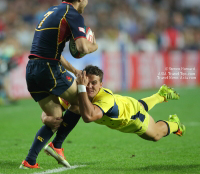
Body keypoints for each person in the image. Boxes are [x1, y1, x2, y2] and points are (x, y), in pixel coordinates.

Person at [20, 0, 98, 169]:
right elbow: (81, 47)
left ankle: (30, 160)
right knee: (81, 100)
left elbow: (53, 50)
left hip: (32, 70)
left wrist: (74, 70)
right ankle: (57, 145)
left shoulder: (50, 12)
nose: (87, 2)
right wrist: (94, 45)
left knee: (55, 118)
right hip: (48, 68)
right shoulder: (73, 14)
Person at [41, 65, 185, 166]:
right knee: (78, 105)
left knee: (156, 135)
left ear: (101, 84)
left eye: (94, 83)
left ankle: (175, 124)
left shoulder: (103, 99)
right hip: (124, 104)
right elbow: (52, 109)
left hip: (133, 117)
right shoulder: (80, 93)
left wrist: (80, 88)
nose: (89, 86)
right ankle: (161, 95)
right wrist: (46, 118)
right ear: (82, 81)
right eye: (87, 83)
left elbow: (89, 117)